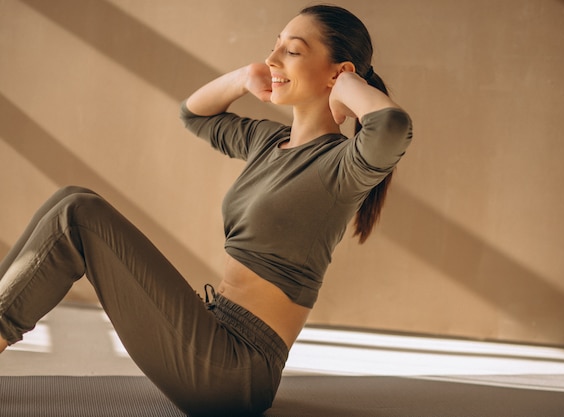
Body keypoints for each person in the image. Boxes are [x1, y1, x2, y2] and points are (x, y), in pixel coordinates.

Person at [0, 4, 412, 416]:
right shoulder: (269, 143)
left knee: (77, 214)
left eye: (293, 51)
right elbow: (194, 115)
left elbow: (391, 127)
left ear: (337, 72)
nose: (272, 59)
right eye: (276, 46)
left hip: (236, 370)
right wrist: (242, 78)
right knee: (71, 199)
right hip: (213, 331)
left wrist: (349, 85)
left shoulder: (343, 166)